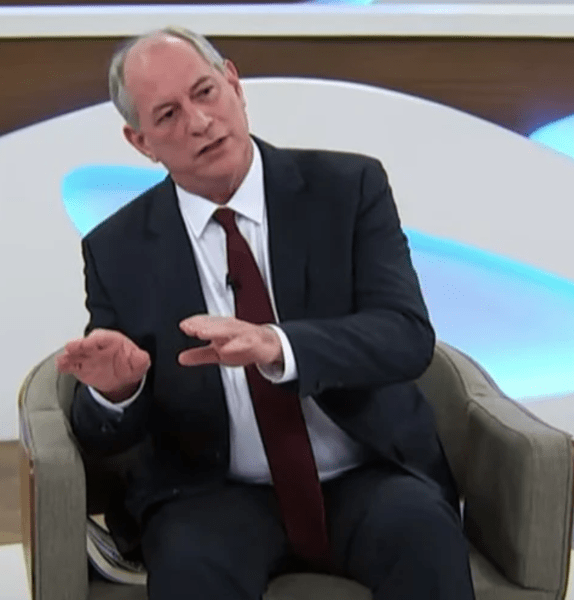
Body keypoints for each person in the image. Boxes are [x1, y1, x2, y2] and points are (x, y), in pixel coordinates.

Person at [57, 27, 475, 600]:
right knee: (189, 570)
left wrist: (279, 345)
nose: (200, 122)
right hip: (212, 492)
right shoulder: (116, 248)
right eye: (169, 115)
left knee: (425, 542)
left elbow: (405, 336)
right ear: (140, 141)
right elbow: (101, 432)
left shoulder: (349, 189)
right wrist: (117, 391)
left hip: (367, 473)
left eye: (205, 92)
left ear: (233, 83)